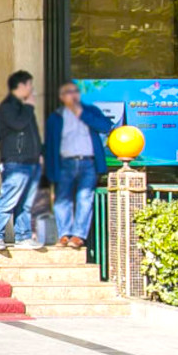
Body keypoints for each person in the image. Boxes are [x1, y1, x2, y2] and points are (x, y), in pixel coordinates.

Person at [45, 79, 112, 251]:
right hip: (65, 163)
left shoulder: (90, 111)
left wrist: (81, 113)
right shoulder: (56, 117)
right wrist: (50, 170)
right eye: (68, 92)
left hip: (88, 162)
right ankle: (64, 234)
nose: (73, 95)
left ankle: (79, 235)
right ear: (61, 97)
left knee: (85, 198)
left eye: (75, 91)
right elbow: (50, 145)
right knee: (62, 199)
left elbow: (106, 126)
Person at [0, 70, 44, 252]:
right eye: (29, 85)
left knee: (26, 203)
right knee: (9, 199)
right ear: (20, 86)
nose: (32, 89)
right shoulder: (8, 107)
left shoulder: (24, 108)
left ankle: (23, 236)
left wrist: (40, 153)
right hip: (15, 162)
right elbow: (17, 124)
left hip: (31, 161)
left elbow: (33, 134)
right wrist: (29, 107)